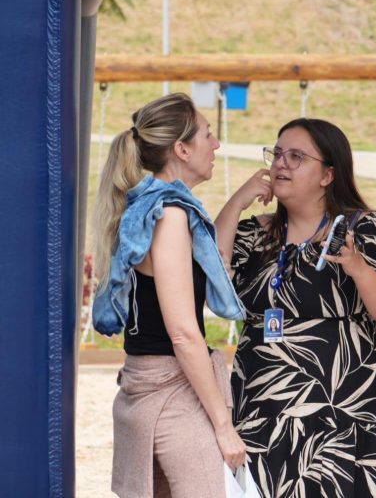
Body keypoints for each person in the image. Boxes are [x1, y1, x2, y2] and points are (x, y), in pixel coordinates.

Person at [216, 117, 376, 498]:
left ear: (328, 174)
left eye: (296, 157)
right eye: (277, 154)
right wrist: (236, 202)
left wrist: (359, 269)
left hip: (346, 410)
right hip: (266, 410)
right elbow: (211, 276)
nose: (280, 164)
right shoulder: (254, 232)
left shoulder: (367, 230)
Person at [91, 93, 247, 497]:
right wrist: (223, 426)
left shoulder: (147, 207)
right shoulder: (171, 216)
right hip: (171, 396)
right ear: (181, 148)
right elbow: (183, 332)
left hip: (142, 389)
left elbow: (215, 259)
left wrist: (243, 196)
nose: (216, 146)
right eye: (208, 135)